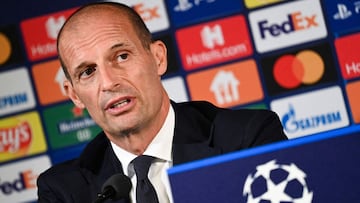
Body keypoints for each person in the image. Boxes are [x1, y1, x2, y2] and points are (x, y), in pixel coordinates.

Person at [37, 2, 288, 203]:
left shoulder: (245, 139)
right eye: (88, 72)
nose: (109, 82)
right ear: (75, 95)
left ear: (158, 58)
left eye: (122, 56)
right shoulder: (63, 191)